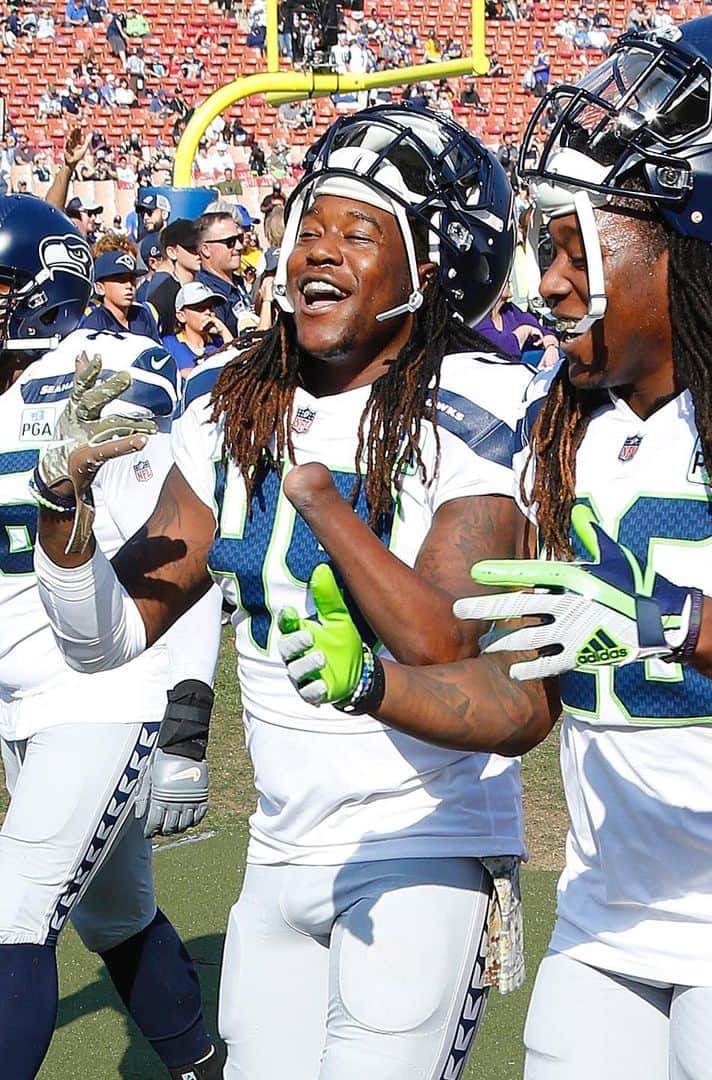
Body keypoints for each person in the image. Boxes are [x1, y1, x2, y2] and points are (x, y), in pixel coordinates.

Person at [280, 18, 712, 1079]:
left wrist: (679, 626)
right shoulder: (562, 419)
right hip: (601, 916)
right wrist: (382, 690)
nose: (544, 282)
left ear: (704, 235)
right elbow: (519, 704)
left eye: (572, 243)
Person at [32, 106, 527, 1080]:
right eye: (310, 226)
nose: (317, 253)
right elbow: (106, 637)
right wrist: (65, 514)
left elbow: (505, 697)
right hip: (280, 855)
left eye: (358, 231)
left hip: (424, 847)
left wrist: (371, 684)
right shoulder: (238, 408)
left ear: (434, 260)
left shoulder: (484, 407)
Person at [0, 194, 224, 1080]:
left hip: (97, 691)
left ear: (39, 293)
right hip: (23, 693)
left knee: (13, 914)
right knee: (113, 917)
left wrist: (186, 718)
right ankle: (203, 1066)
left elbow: (178, 536)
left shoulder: (92, 369)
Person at [193, 210, 254, 335]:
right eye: (230, 242)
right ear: (206, 249)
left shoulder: (237, 282)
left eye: (240, 238)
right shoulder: (207, 296)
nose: (239, 247)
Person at [80, 249, 162, 341]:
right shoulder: (94, 324)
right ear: (100, 288)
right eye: (121, 280)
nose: (129, 285)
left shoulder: (142, 314)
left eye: (132, 279)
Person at [162, 280, 233, 374]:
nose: (208, 312)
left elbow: (237, 364)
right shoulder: (169, 345)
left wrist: (223, 331)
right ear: (181, 316)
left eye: (211, 308)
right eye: (200, 308)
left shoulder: (219, 342)